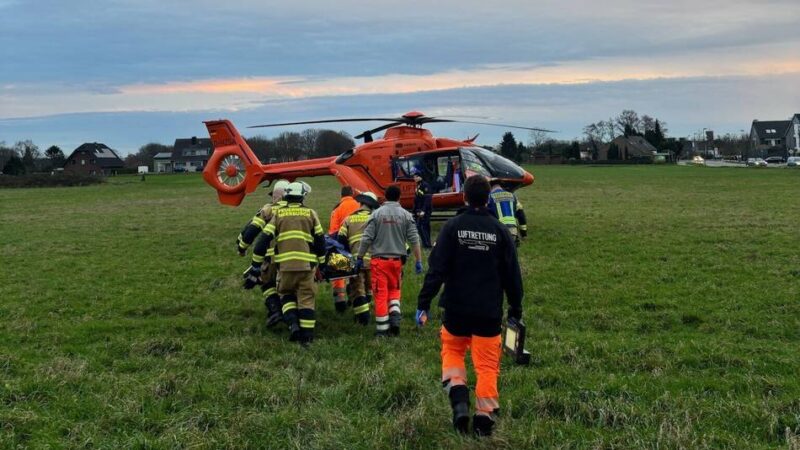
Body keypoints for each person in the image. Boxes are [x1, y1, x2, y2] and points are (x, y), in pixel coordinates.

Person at [416, 175, 523, 437]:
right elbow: (513, 275)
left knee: (452, 351)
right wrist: (515, 309)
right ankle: (484, 417)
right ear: (488, 199)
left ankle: (459, 400)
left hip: (456, 309)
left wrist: (424, 302)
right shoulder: (500, 232)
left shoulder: (452, 227)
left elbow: (436, 269)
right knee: (487, 366)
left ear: (464, 197)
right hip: (488, 312)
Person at [247, 182, 326, 345]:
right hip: (306, 266)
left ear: (287, 196)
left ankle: (293, 326)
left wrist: (255, 266)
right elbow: (320, 240)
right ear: (303, 197)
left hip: (285, 267)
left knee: (286, 294)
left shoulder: (279, 214)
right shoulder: (311, 213)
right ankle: (307, 339)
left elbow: (262, 241)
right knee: (306, 299)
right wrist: (323, 264)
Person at [356, 185, 423, 337]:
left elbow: (366, 238)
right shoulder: (406, 215)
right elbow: (414, 240)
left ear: (385, 197)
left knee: (381, 295)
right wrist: (418, 260)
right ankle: (395, 319)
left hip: (379, 262)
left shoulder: (376, 214)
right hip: (397, 263)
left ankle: (382, 330)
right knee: (394, 291)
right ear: (399, 197)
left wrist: (360, 257)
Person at [238, 179, 289, 327]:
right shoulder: (301, 210)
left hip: (272, 257)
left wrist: (242, 248)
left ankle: (275, 311)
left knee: (267, 283)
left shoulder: (268, 210)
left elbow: (251, 232)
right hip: (297, 257)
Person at [337, 191, 380, 325]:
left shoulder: (349, 219)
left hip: (355, 262)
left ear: (361, 203)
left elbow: (340, 241)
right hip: (374, 261)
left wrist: (345, 261)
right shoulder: (376, 218)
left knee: (357, 290)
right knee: (370, 288)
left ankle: (363, 320)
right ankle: (369, 311)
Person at [328, 186, 361, 312]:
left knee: (338, 271)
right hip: (357, 244)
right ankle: (357, 297)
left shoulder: (337, 209)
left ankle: (340, 301)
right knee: (357, 271)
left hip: (341, 243)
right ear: (352, 194)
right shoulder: (359, 205)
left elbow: (333, 232)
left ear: (341, 195)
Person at [487, 180, 527, 246]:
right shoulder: (512, 196)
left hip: (497, 231)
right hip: (512, 231)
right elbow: (521, 215)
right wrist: (523, 233)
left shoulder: (489, 197)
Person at [413, 172, 433, 249]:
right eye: (414, 177)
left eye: (416, 176)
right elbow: (417, 200)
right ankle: (426, 244)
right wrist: (414, 211)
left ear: (420, 177)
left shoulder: (425, 186)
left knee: (423, 226)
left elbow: (427, 199)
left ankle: (427, 245)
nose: (414, 178)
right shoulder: (418, 186)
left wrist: (423, 211)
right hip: (419, 210)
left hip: (425, 210)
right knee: (421, 226)